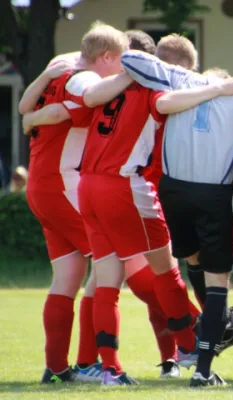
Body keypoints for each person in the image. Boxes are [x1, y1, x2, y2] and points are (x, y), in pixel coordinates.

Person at [120, 42, 233, 387]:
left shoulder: (178, 84)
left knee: (193, 262)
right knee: (219, 280)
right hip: (214, 193)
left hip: (173, 190)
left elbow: (131, 59)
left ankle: (213, 329)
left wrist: (193, 81)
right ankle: (203, 368)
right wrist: (228, 88)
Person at [18, 21, 129, 384]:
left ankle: (57, 366)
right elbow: (91, 96)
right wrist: (135, 77)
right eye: (120, 62)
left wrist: (35, 115)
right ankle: (87, 363)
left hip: (43, 184)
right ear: (107, 57)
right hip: (62, 185)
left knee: (67, 276)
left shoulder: (59, 68)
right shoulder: (82, 78)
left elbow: (29, 108)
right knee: (109, 264)